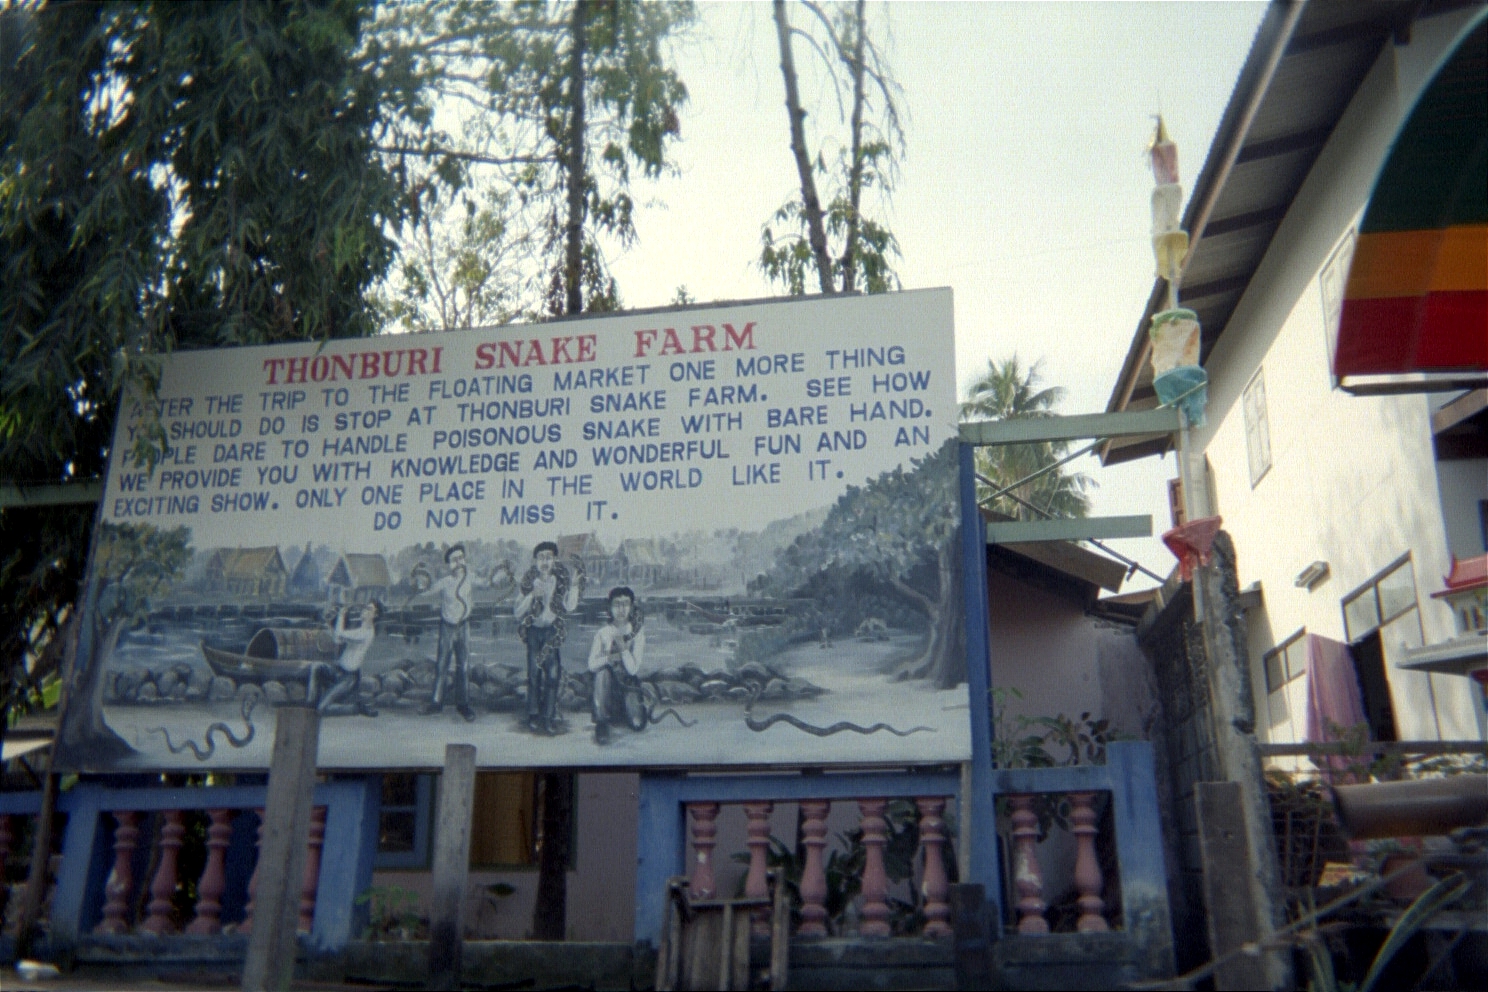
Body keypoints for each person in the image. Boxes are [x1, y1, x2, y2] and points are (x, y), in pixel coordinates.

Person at [514, 541, 581, 735]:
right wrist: (531, 596)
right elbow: (517, 612)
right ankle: (533, 715)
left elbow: (569, 606)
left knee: (553, 674)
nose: (545, 562)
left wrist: (574, 586)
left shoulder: (559, 581)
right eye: (541, 557)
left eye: (549, 557)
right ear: (535, 560)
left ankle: (549, 717)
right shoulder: (529, 582)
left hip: (551, 631)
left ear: (554, 560)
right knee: (534, 675)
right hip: (534, 632)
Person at [416, 544, 476, 721]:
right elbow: (425, 592)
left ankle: (463, 705)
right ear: (448, 564)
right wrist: (420, 582)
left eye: (461, 558)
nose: (458, 563)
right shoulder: (445, 582)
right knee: (442, 665)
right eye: (454, 560)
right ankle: (436, 703)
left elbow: (489, 582)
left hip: (463, 627)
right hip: (447, 627)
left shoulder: (470, 578)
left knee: (463, 666)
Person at [588, 587, 644, 745]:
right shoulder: (603, 633)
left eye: (625, 604)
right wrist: (607, 658)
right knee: (602, 674)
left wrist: (624, 649)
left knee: (637, 724)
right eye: (617, 604)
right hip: (606, 688)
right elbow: (592, 665)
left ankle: (627, 713)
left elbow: (633, 669)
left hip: (627, 685)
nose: (621, 609)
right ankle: (602, 723)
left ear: (631, 607)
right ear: (609, 607)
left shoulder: (637, 633)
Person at [309, 600, 381, 717]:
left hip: (348, 678)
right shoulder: (359, 629)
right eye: (365, 608)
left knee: (322, 709)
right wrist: (330, 622)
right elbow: (337, 640)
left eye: (369, 609)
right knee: (316, 667)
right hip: (338, 670)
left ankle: (355, 708)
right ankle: (310, 703)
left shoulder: (366, 633)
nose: (364, 611)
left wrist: (341, 615)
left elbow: (340, 634)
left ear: (375, 615)